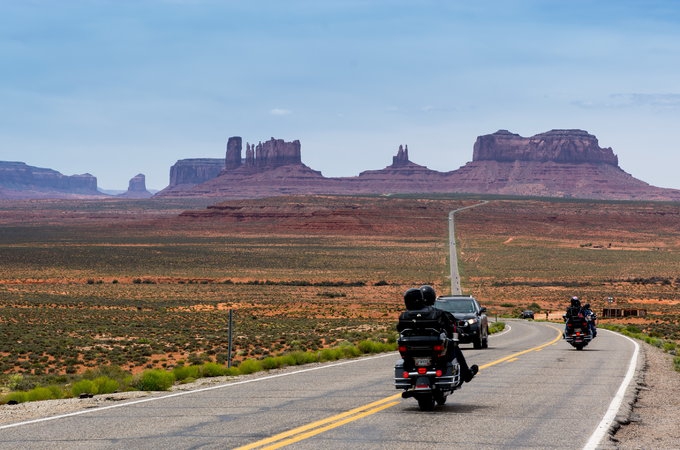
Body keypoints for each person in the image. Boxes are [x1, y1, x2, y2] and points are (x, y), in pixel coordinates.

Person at [397, 286, 478, 383]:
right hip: (433, 350)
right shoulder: (437, 314)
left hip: (412, 351)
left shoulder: (404, 316)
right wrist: (461, 333)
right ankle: (466, 374)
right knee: (453, 345)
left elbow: (399, 329)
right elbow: (450, 327)